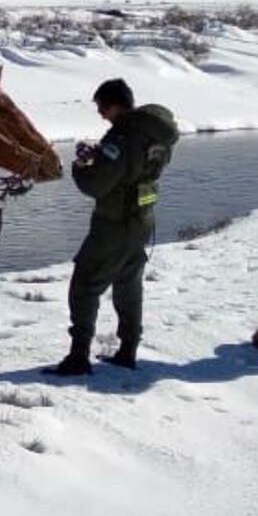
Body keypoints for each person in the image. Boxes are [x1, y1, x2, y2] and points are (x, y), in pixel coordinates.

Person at [46, 78, 178, 377]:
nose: (100, 113)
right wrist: (102, 157)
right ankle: (128, 350)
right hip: (142, 220)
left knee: (84, 286)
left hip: (113, 224)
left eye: (102, 107)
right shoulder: (153, 134)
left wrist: (82, 166)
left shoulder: (121, 139)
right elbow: (133, 170)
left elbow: (96, 185)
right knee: (128, 284)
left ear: (115, 105)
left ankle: (78, 357)